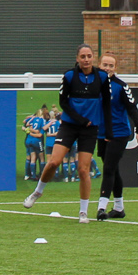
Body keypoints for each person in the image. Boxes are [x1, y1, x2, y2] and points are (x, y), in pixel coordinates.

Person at [24, 44, 106, 222]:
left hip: (90, 129)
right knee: (54, 161)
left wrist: (106, 129)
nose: (86, 59)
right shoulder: (69, 76)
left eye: (89, 56)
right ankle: (38, 192)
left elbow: (106, 104)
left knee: (83, 169)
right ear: (77, 58)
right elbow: (64, 102)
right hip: (70, 125)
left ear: (93, 58)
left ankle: (83, 211)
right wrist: (80, 119)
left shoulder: (102, 77)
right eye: (82, 56)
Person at [95, 53, 138, 219]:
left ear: (115, 68)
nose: (107, 68)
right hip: (102, 133)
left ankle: (101, 208)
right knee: (113, 169)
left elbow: (132, 108)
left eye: (111, 66)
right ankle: (118, 208)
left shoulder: (121, 86)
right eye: (105, 65)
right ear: (99, 65)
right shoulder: (93, 84)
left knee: (109, 168)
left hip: (119, 133)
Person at [23, 105, 47, 179]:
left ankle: (31, 175)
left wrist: (29, 130)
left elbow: (25, 122)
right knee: (42, 157)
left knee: (32, 157)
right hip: (37, 141)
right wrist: (35, 131)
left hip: (29, 140)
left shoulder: (32, 119)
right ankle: (43, 175)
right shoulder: (42, 120)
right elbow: (40, 134)